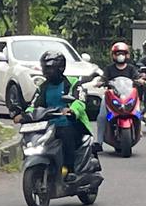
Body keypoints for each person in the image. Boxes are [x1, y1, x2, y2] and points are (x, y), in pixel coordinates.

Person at [18, 49, 91, 179]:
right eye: (45, 68)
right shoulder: (43, 87)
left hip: (71, 123)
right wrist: (25, 115)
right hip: (48, 126)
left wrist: (71, 110)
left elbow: (80, 101)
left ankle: (70, 170)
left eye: (50, 69)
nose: (47, 72)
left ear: (60, 68)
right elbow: (34, 105)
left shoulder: (73, 83)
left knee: (66, 134)